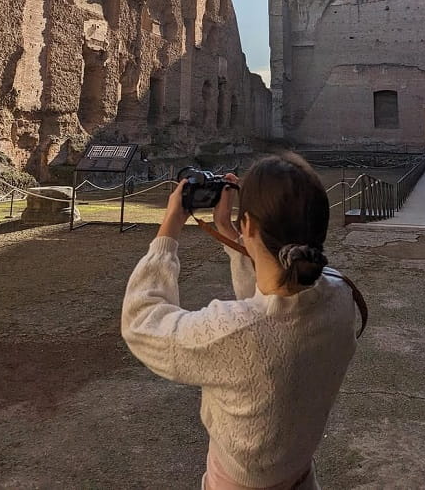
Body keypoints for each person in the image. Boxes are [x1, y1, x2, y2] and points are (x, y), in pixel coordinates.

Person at [121, 153, 359, 489]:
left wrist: (170, 226)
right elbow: (273, 297)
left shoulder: (234, 333)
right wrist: (229, 232)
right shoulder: (341, 297)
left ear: (250, 225)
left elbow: (141, 321)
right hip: (301, 475)